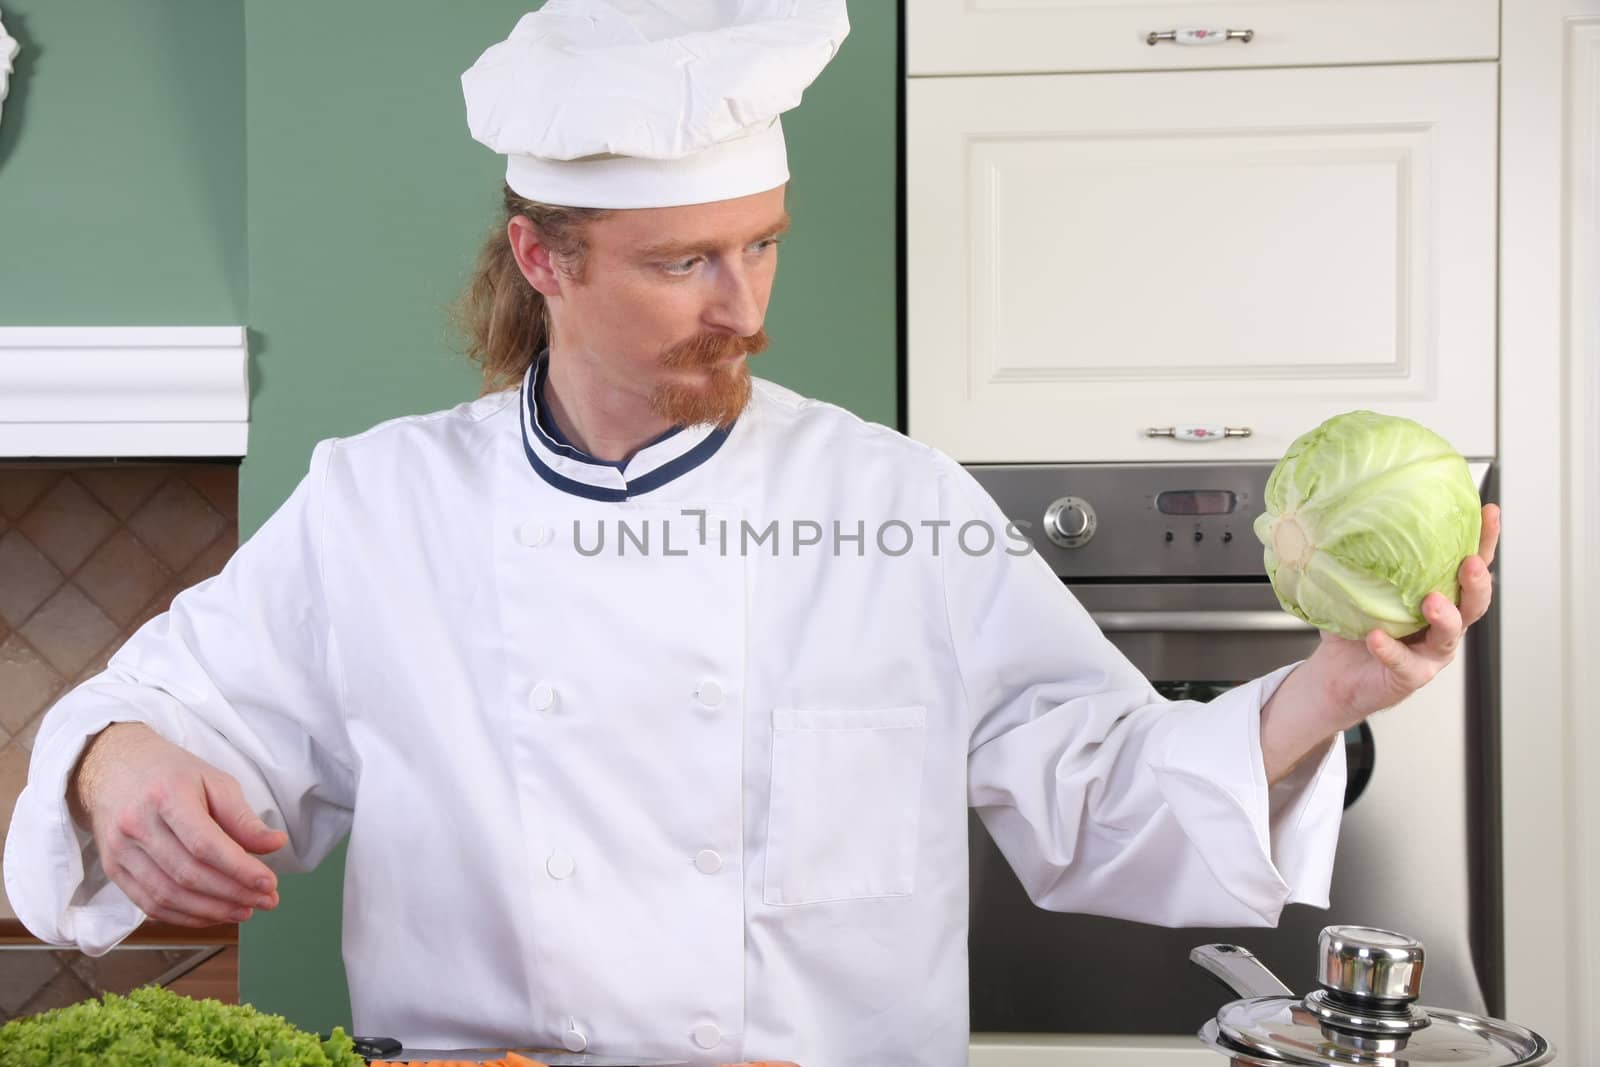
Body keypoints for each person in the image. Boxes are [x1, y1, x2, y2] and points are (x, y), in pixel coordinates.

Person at [4, 3, 1500, 1065]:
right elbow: (150, 716)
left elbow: (1101, 787)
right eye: (684, 262)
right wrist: (112, 763)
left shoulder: (894, 505)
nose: (747, 306)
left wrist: (1334, 691)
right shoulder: (378, 508)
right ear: (544, 258)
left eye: (762, 243)